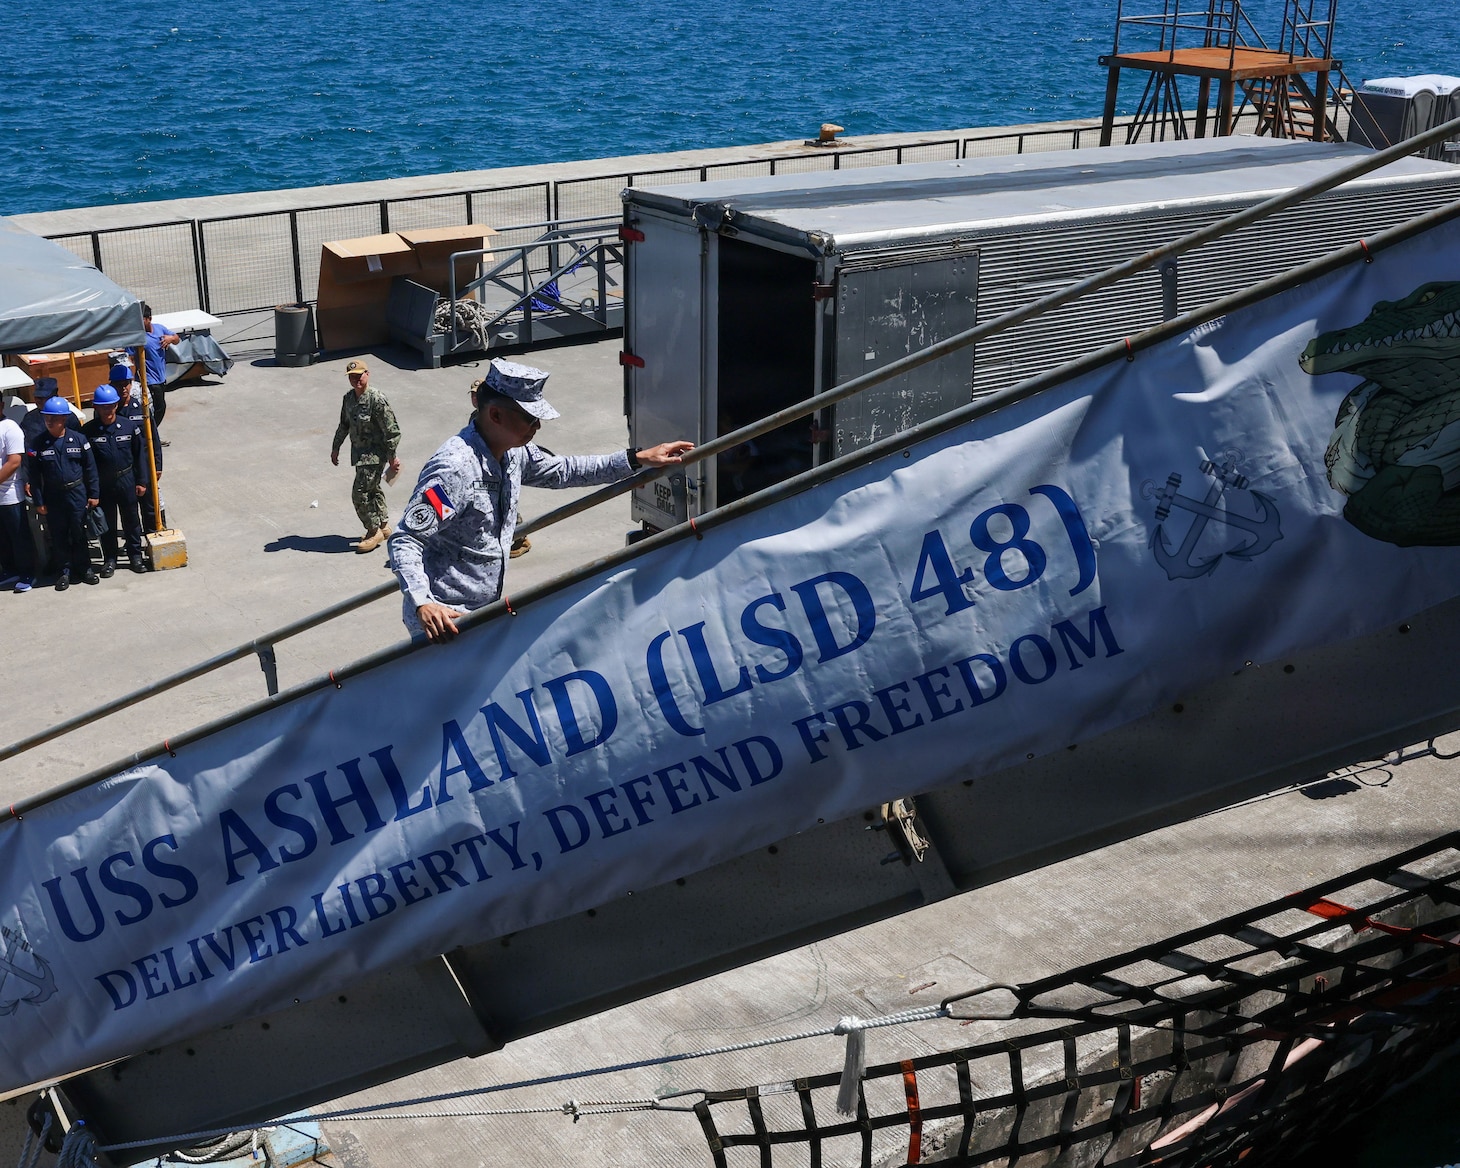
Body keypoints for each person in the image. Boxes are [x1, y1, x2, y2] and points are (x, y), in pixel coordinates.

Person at [390, 358, 693, 643]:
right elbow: (406, 539)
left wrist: (636, 459)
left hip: (478, 614)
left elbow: (563, 471)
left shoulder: (512, 453)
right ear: (495, 414)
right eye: (529, 418)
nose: (537, 427)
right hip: (443, 620)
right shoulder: (455, 469)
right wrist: (422, 603)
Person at [27, 397, 99, 590]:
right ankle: (64, 571)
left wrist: (94, 494)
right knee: (58, 535)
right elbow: (34, 475)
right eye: (47, 417)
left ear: (64, 418)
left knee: (79, 532)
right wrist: (39, 501)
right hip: (53, 496)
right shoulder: (38, 443)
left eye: (54, 418)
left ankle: (84, 569)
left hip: (76, 493)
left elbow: (90, 468)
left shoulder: (78, 439)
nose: (50, 421)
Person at [330, 359, 401, 553]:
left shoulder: (376, 399)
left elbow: (392, 430)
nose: (356, 380)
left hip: (375, 455)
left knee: (360, 493)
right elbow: (344, 425)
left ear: (367, 374)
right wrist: (336, 447)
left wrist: (393, 457)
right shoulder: (349, 399)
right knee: (372, 489)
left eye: (359, 376)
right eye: (352, 377)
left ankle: (373, 531)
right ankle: (384, 526)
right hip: (359, 454)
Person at [83, 385, 148, 576]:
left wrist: (142, 481)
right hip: (104, 483)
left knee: (131, 520)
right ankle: (109, 559)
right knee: (107, 523)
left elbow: (139, 457)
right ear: (95, 406)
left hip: (127, 480)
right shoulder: (89, 431)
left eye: (111, 405)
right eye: (103, 406)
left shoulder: (129, 427)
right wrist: (92, 491)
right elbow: (87, 464)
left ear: (116, 404)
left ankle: (135, 556)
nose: (107, 410)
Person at [108, 364, 163, 533]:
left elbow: (154, 437)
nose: (123, 388)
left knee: (149, 505)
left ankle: (152, 535)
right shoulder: (109, 411)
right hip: (123, 467)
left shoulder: (141, 407)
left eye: (126, 383)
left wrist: (158, 465)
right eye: (118, 384)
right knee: (129, 509)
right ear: (112, 385)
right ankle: (133, 541)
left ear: (131, 384)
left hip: (144, 465)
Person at [0, 410, 33, 593]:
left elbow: (14, 462)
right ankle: (9, 570)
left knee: (19, 537)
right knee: (2, 538)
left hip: (10, 496)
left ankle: (27, 573)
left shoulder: (10, 428)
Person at [136, 303, 180, 435]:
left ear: (149, 319)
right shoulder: (139, 337)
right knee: (158, 407)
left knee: (158, 408)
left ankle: (150, 435)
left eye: (142, 319)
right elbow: (130, 356)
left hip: (161, 378)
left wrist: (171, 338)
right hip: (149, 380)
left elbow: (177, 339)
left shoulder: (160, 329)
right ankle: (149, 436)